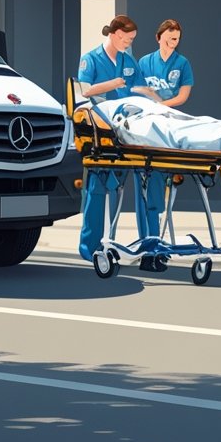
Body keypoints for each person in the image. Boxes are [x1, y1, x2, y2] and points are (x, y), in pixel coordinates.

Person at [76, 15, 146, 262]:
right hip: (101, 131)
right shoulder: (91, 59)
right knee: (96, 189)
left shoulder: (129, 61)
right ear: (115, 34)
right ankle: (89, 248)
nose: (129, 43)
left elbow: (139, 90)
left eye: (131, 40)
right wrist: (112, 83)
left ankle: (122, 244)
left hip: (128, 130)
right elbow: (85, 90)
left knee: (126, 186)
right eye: (127, 39)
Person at [133, 19, 194, 271]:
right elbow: (136, 89)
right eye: (169, 38)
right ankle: (150, 247)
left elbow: (183, 96)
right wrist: (150, 105)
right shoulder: (145, 62)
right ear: (158, 37)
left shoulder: (182, 64)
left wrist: (160, 105)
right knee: (145, 188)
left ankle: (158, 244)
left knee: (164, 190)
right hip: (146, 127)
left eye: (177, 38)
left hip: (169, 125)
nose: (173, 42)